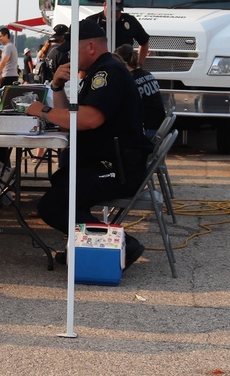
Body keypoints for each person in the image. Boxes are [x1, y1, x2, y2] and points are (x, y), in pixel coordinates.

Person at [25, 19, 153, 270]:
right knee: (62, 181)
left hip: (119, 168)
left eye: (73, 49)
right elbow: (69, 122)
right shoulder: (99, 71)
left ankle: (123, 245)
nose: (70, 56)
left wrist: (43, 110)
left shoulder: (108, 73)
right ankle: (87, 244)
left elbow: (90, 119)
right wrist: (57, 86)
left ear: (91, 46)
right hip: (107, 162)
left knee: (51, 206)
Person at [116, 43, 166, 140]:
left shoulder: (131, 81)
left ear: (123, 64)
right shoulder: (147, 74)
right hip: (158, 128)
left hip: (146, 131)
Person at [85, 0, 151, 64]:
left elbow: (144, 42)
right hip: (99, 66)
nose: (115, 14)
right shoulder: (92, 22)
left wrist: (139, 65)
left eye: (118, 11)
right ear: (104, 5)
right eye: (112, 10)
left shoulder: (130, 21)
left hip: (124, 67)